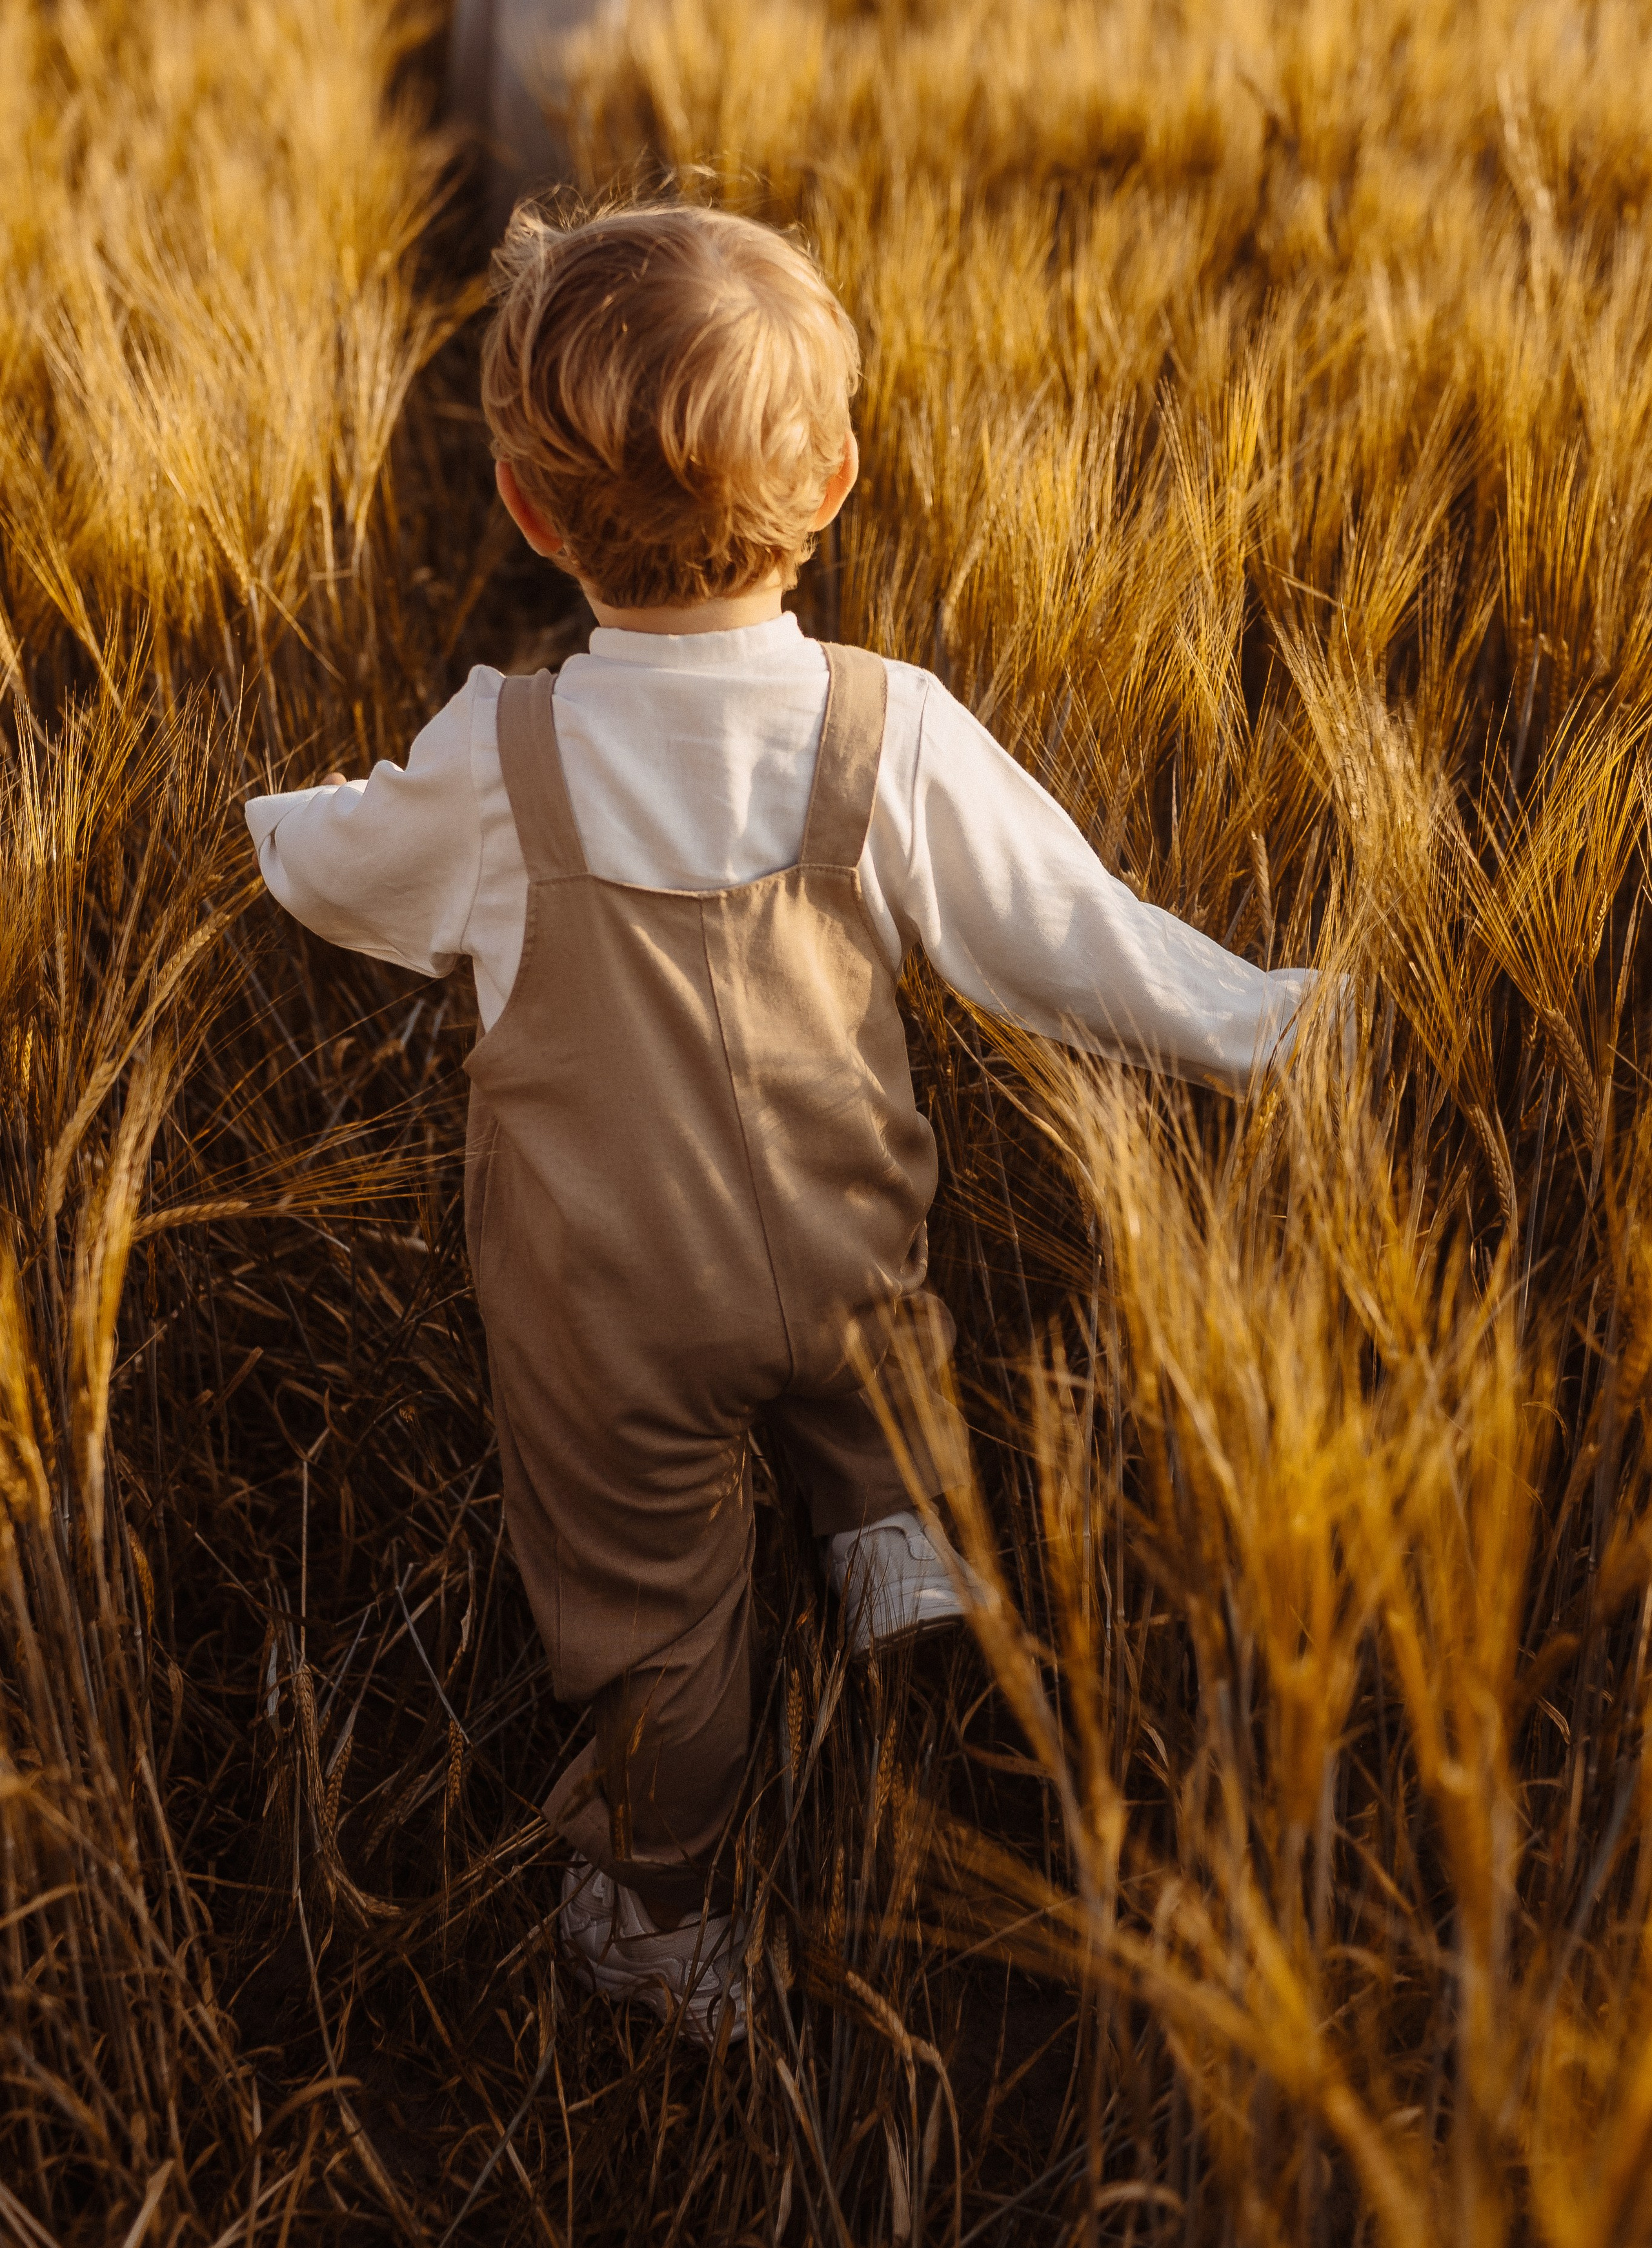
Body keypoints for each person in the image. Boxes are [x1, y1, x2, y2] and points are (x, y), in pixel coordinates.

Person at [245, 199, 1316, 2050]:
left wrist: (280, 816)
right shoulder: (886, 728)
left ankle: (652, 1916)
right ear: (830, 483)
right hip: (843, 1239)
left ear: (526, 512)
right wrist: (1273, 1025)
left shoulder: (497, 756)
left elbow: (353, 880)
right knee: (873, 1378)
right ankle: (901, 1535)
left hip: (611, 1310)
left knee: (659, 1629)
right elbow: (1075, 942)